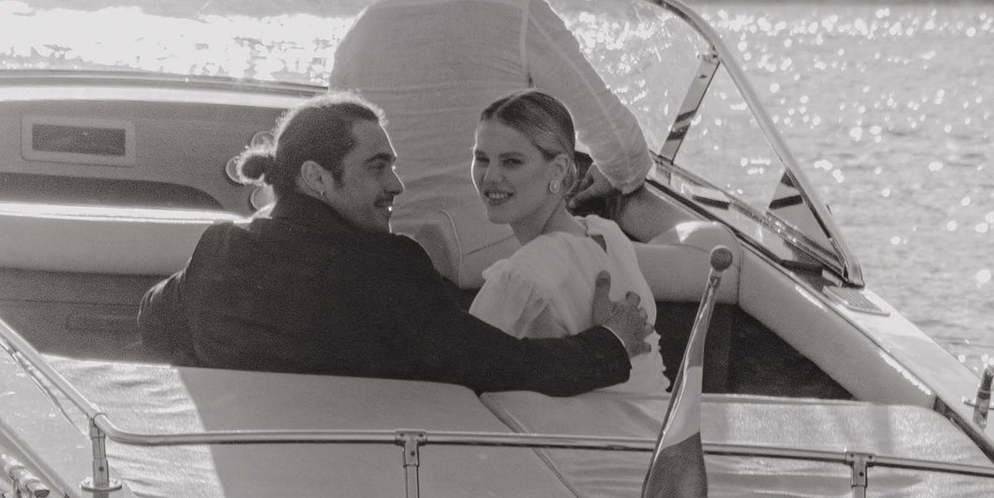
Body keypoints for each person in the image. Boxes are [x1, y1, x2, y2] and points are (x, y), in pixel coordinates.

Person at [132, 93, 633, 394]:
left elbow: (154, 319)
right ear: (317, 178)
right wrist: (608, 345)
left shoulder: (220, 251)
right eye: (378, 167)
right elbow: (500, 365)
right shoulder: (388, 268)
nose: (396, 185)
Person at [329, 0, 670, 286]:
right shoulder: (519, 12)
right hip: (496, 272)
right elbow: (623, 151)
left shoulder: (363, 29)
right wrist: (612, 175)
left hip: (387, 274)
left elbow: (332, 155)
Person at [464, 90, 666, 396]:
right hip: (655, 419)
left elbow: (459, 381)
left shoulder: (522, 277)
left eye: (512, 162)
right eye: (481, 159)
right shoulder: (608, 235)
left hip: (587, 436)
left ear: (557, 170)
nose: (490, 177)